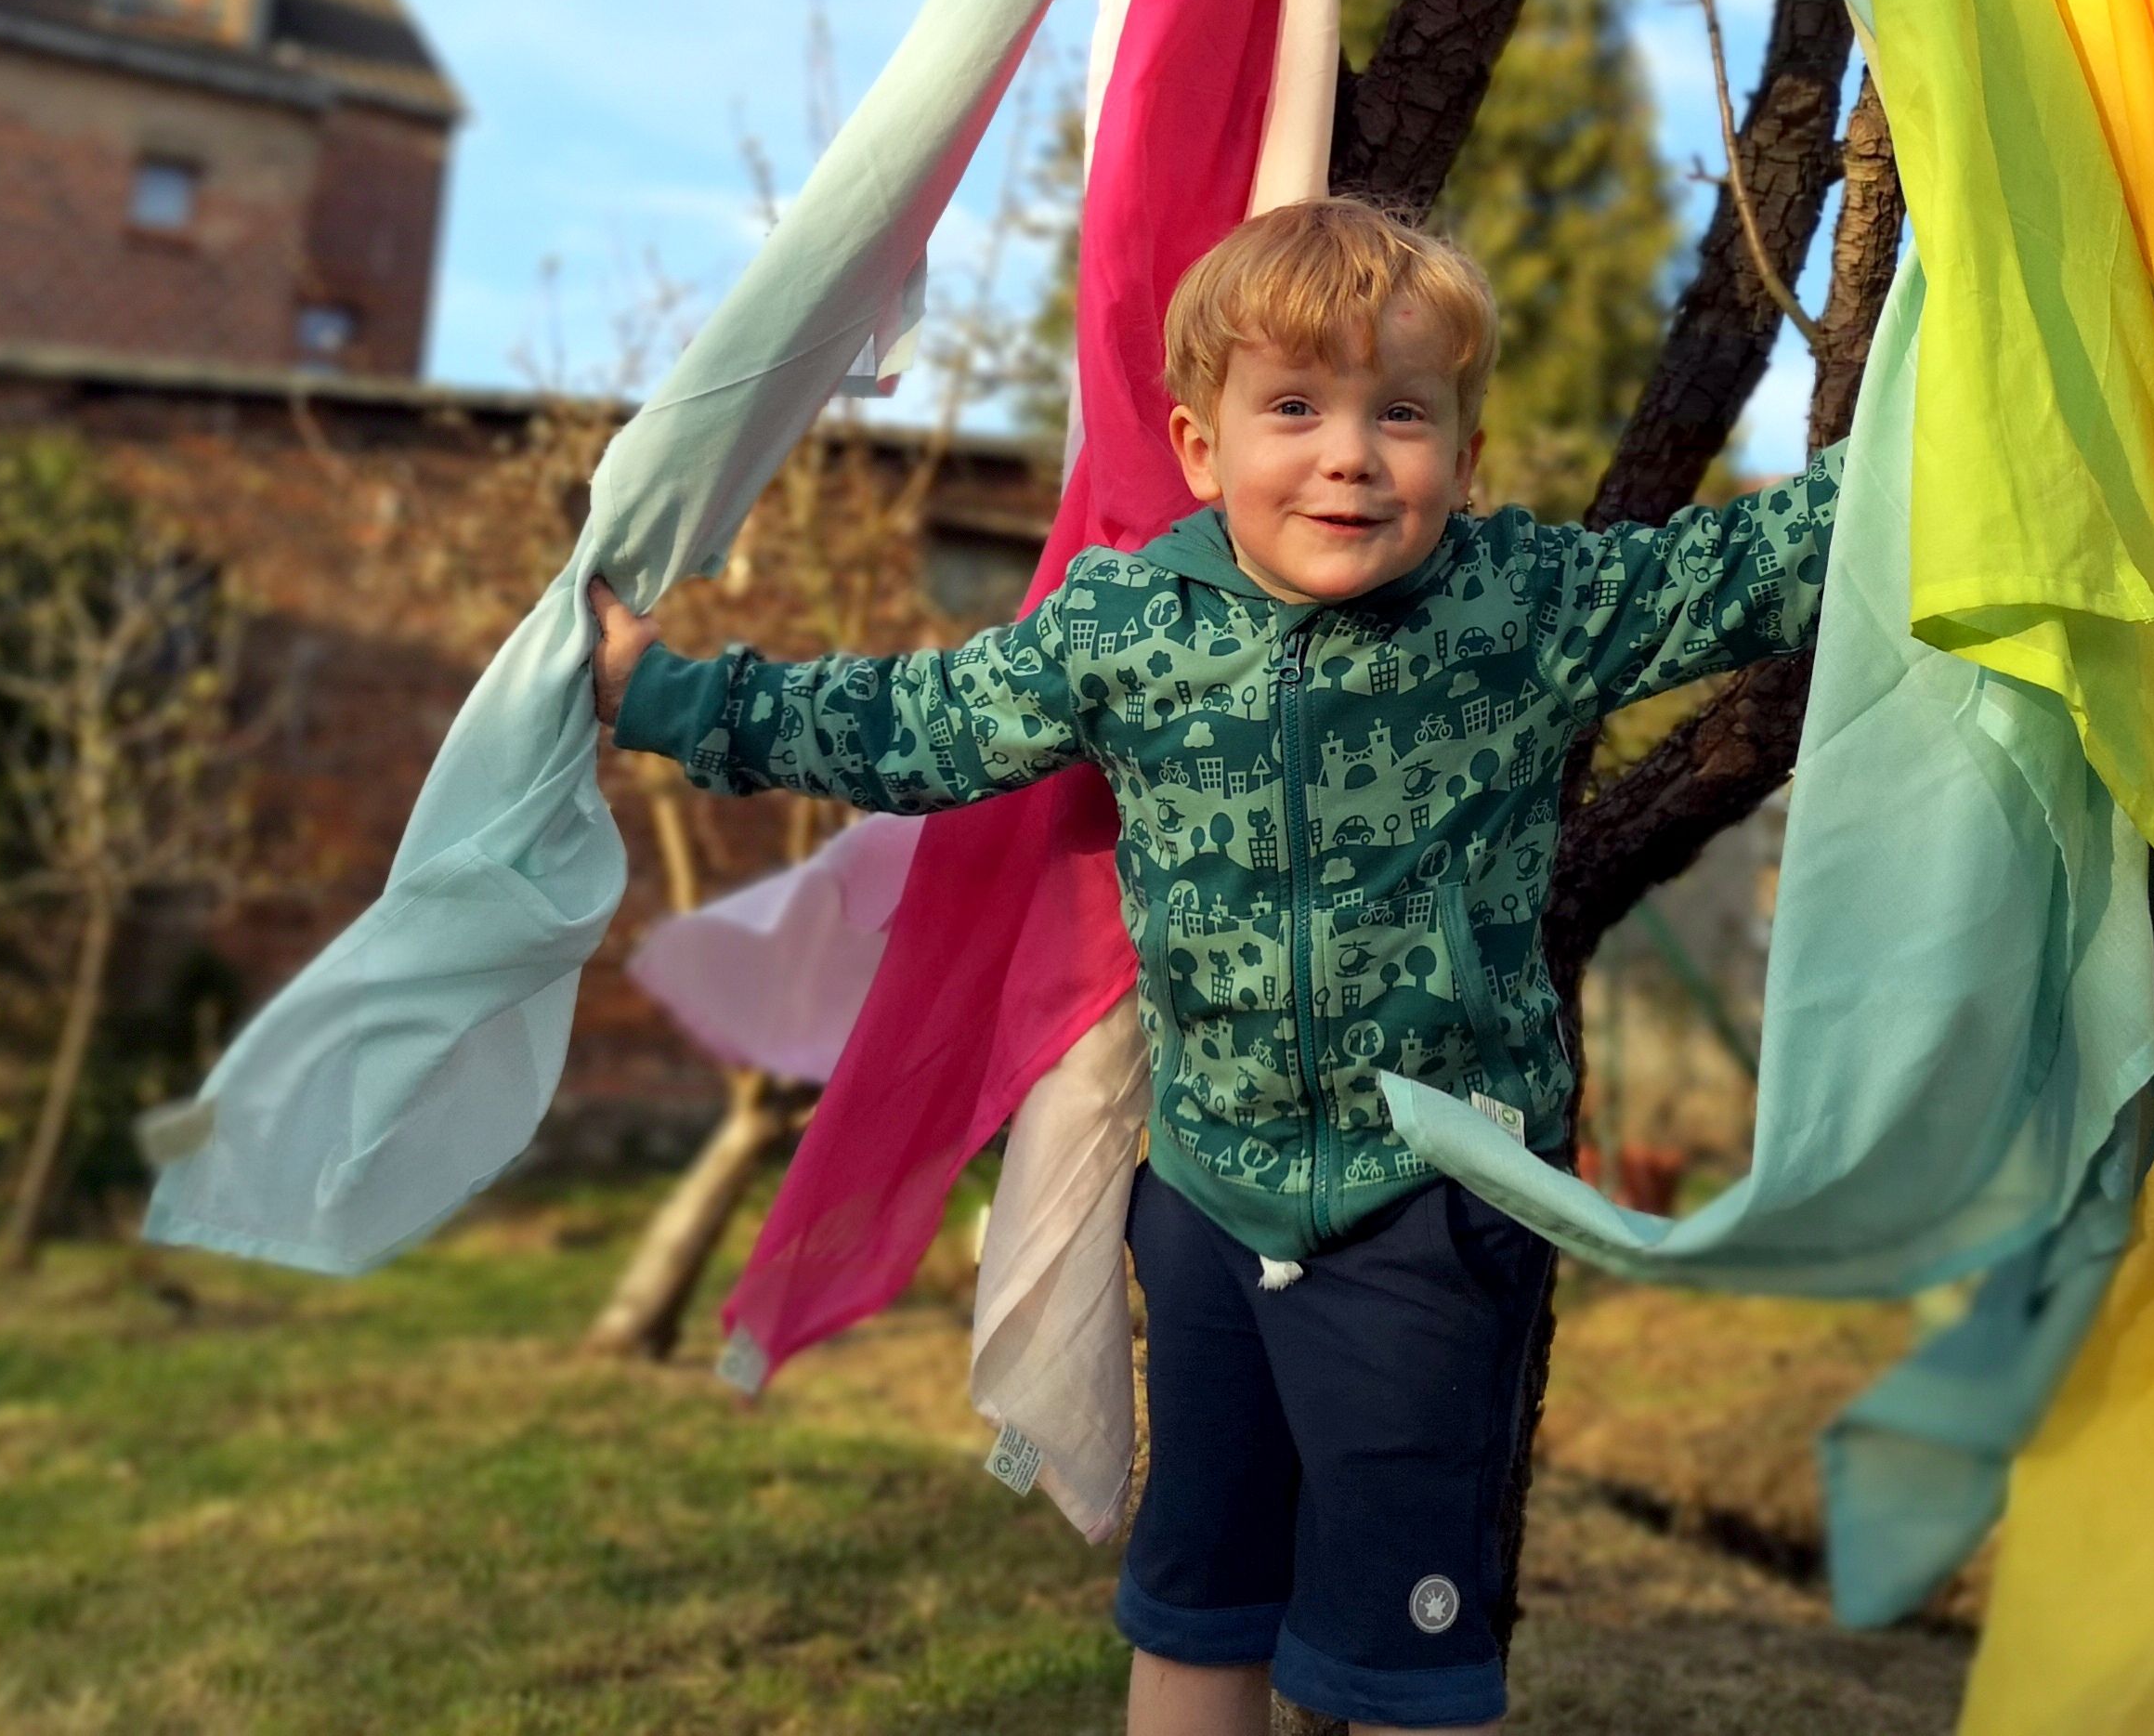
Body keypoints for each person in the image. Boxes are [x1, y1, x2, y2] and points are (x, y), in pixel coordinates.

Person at [594, 196, 1840, 1736]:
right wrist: (663, 698)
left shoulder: (1523, 611)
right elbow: (914, 727)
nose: (1349, 456)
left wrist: (1941, 434)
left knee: (1401, 1654)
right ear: (1200, 447)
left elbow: (1750, 565)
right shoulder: (1127, 624)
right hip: (1202, 1196)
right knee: (1198, 1593)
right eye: (1295, 408)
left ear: (1462, 446)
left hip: (1433, 1207)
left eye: (1402, 413)